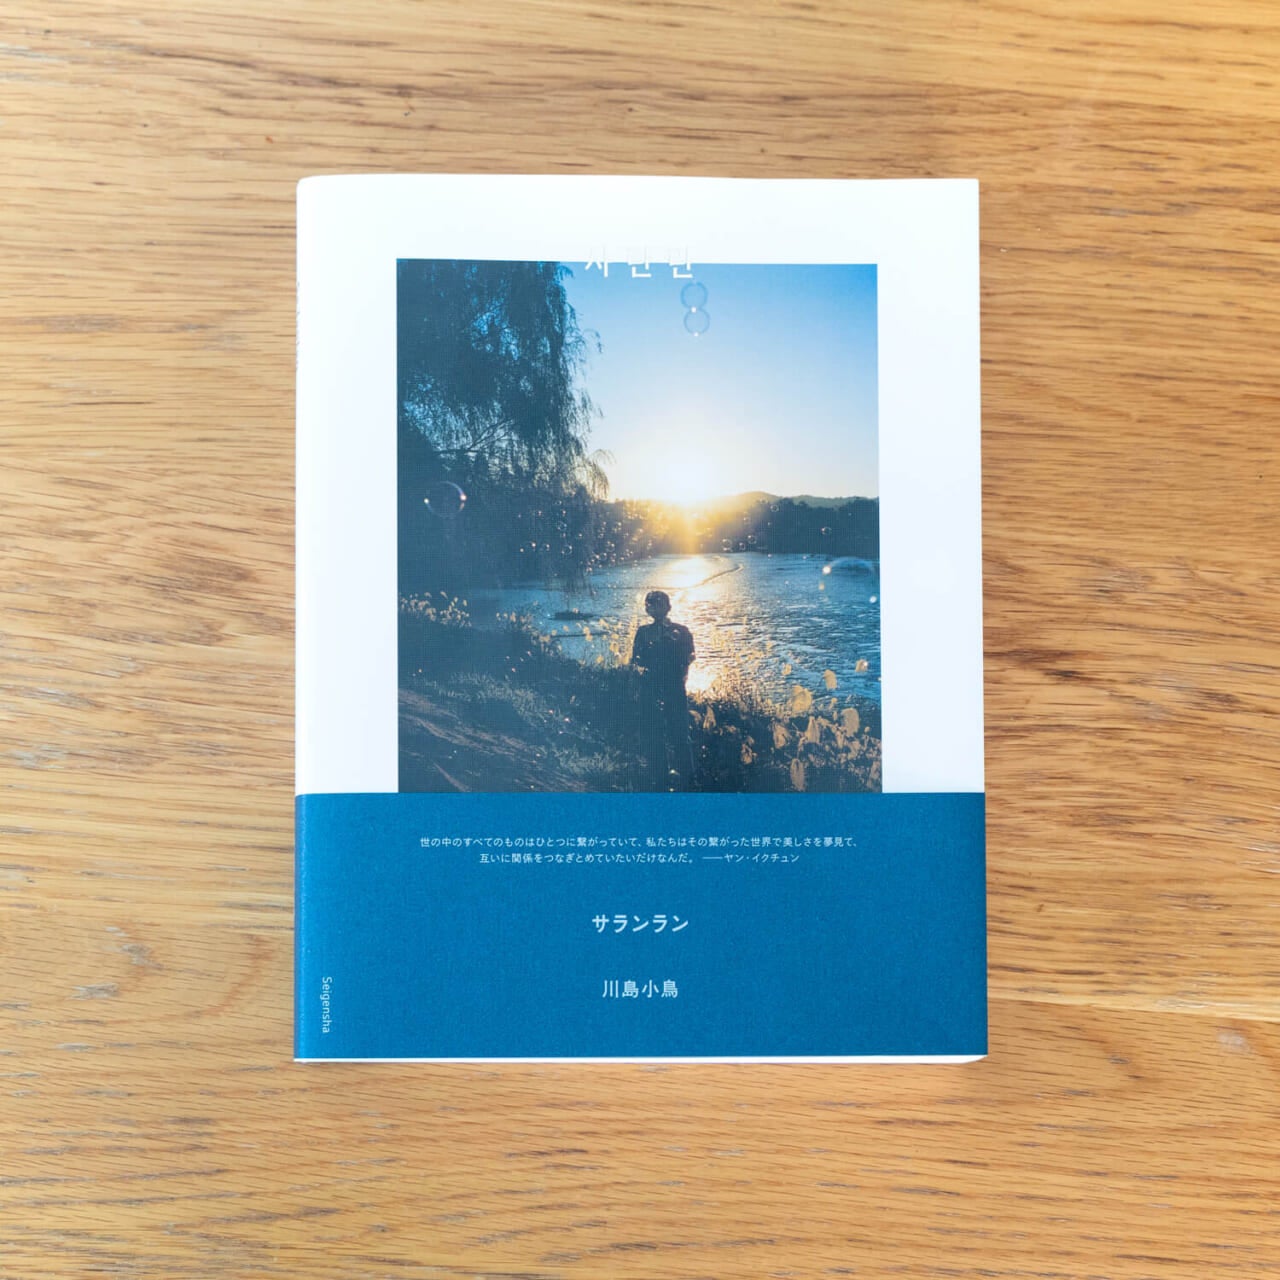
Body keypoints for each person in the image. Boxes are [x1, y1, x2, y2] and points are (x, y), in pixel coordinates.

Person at [629, 590, 696, 790]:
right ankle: (660, 780)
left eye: (658, 604)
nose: (654, 608)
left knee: (680, 735)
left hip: (673, 688)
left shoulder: (681, 631)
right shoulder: (643, 632)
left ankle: (687, 780)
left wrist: (667, 644)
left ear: (668, 607)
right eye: (650, 605)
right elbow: (636, 661)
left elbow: (688, 658)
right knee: (654, 736)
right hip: (650, 688)